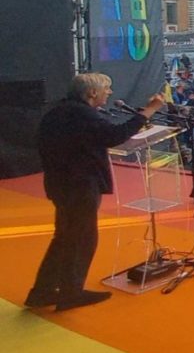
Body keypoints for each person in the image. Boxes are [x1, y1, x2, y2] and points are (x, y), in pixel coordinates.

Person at [26, 73, 165, 311]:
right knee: (82, 239)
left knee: (64, 238)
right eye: (107, 88)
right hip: (79, 184)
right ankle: (71, 292)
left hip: (61, 182)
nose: (109, 93)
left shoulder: (58, 111)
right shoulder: (81, 114)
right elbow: (114, 136)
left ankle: (42, 291)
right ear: (92, 93)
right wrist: (149, 110)